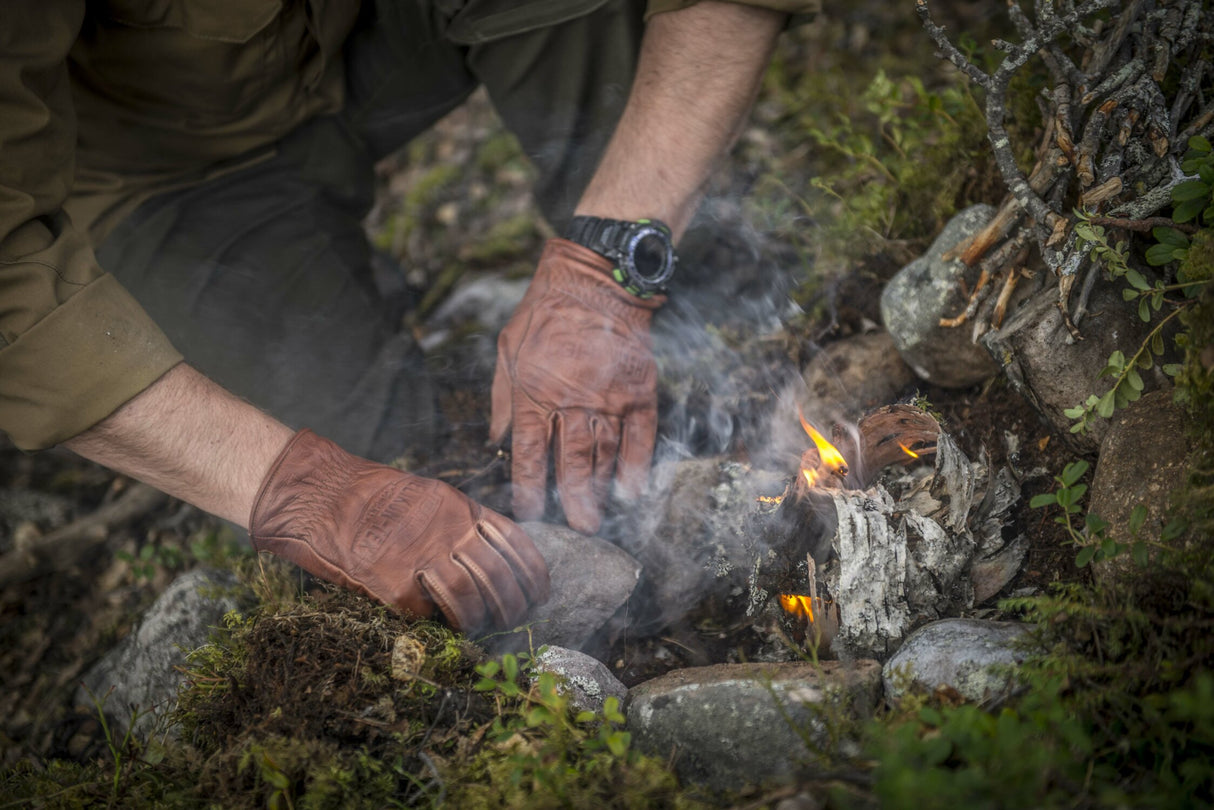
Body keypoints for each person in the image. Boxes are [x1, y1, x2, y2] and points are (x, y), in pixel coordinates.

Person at [0, 0, 804, 634]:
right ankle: (290, 271)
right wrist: (310, 491)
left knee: (659, 276)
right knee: (393, 481)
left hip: (371, 38)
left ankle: (684, 280)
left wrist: (603, 271)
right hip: (160, 169)